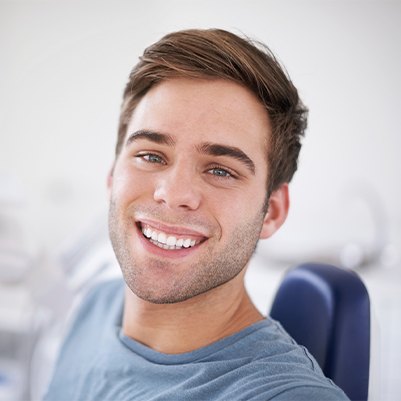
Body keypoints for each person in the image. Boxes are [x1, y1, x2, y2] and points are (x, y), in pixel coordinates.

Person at [44, 29, 349, 400]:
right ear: (112, 175)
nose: (172, 194)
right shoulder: (97, 305)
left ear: (272, 212)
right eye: (150, 156)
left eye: (220, 170)